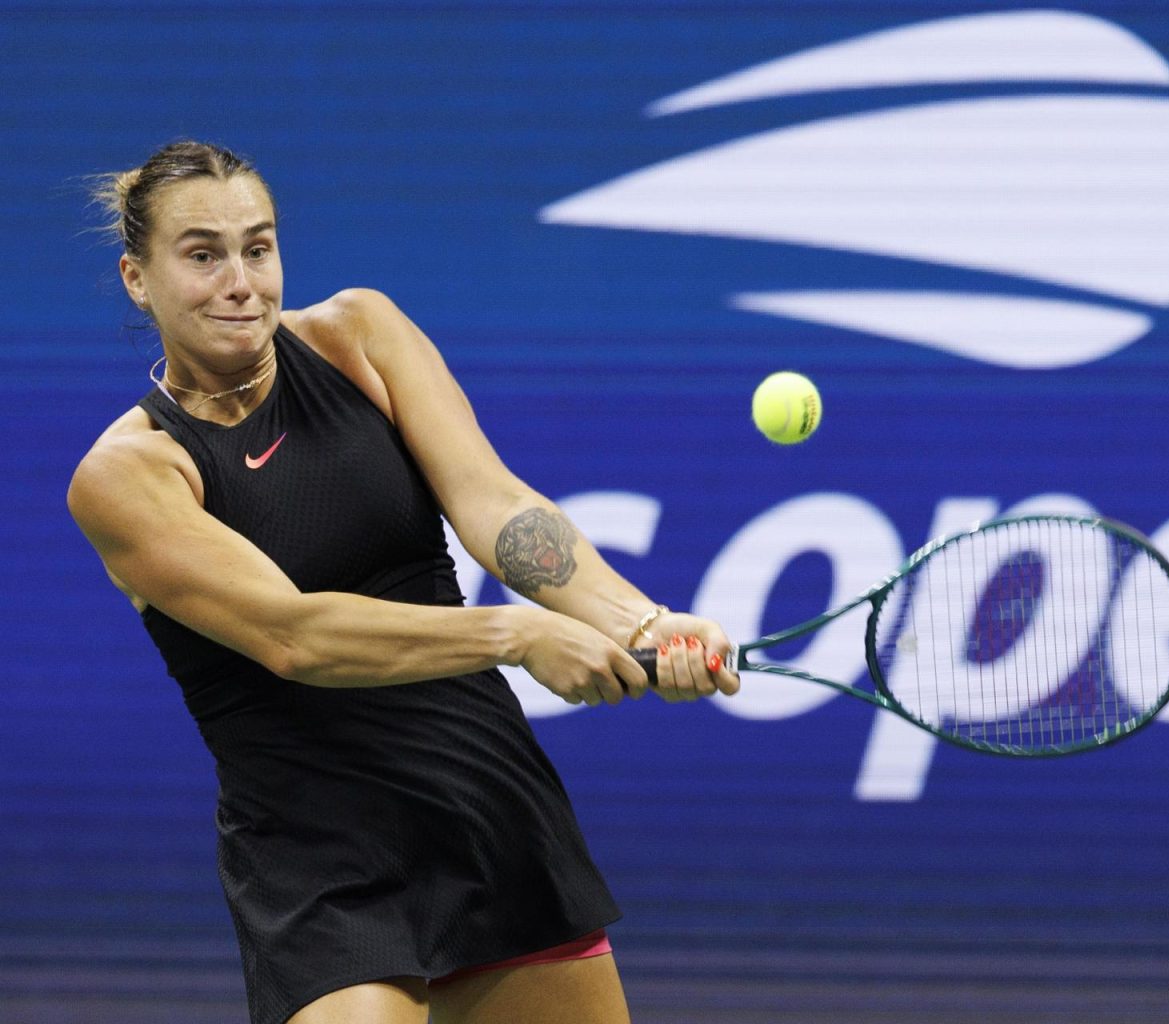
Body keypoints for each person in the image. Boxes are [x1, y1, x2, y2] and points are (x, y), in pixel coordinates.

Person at [67, 139, 740, 1024]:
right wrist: (516, 634)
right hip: (317, 853)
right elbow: (292, 634)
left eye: (259, 248)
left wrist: (641, 622)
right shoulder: (130, 474)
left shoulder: (358, 337)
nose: (241, 281)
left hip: (481, 797)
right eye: (203, 255)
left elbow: (495, 505)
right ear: (136, 277)